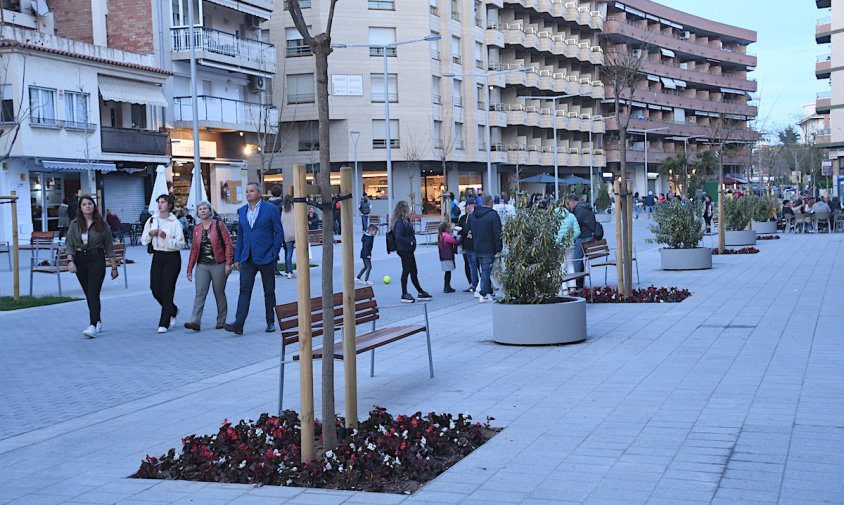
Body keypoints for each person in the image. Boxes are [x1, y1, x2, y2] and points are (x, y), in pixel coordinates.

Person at [225, 182, 284, 335]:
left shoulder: (270, 209)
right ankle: (239, 324)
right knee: (244, 290)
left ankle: (270, 321)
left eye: (251, 191)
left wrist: (274, 252)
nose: (248, 194)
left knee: (269, 291)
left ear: (259, 192)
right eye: (246, 191)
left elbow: (279, 232)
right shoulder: (242, 211)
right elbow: (242, 236)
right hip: (247, 257)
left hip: (266, 256)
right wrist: (237, 258)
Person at [66, 196, 119, 338]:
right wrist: (70, 261)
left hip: (96, 259)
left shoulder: (101, 224)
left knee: (93, 292)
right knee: (88, 293)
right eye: (84, 204)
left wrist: (114, 267)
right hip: (80, 260)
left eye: (90, 204)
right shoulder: (74, 224)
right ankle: (98, 321)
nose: (87, 206)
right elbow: (69, 244)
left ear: (94, 206)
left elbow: (109, 246)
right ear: (80, 208)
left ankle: (93, 325)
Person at [184, 201, 233, 332]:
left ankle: (221, 320)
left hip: (219, 264)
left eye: (205, 208)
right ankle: (195, 321)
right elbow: (194, 249)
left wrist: (228, 263)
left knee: (219, 292)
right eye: (200, 209)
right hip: (202, 265)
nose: (203, 210)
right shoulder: (196, 229)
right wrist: (189, 268)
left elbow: (228, 244)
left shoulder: (219, 225)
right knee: (200, 293)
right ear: (198, 213)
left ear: (210, 211)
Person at [141, 194, 186, 334]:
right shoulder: (152, 220)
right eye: (158, 202)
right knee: (155, 288)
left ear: (170, 205)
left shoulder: (175, 223)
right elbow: (143, 240)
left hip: (172, 257)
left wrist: (166, 238)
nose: (160, 205)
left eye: (163, 202)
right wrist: (150, 234)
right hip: (157, 256)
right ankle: (172, 310)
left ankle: (164, 322)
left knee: (167, 289)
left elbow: (181, 244)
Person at [392, 200, 432, 303]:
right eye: (408, 208)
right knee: (406, 271)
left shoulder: (405, 220)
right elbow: (398, 237)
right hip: (404, 250)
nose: (410, 209)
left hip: (408, 250)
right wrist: (410, 242)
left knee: (413, 270)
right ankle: (404, 293)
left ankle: (420, 291)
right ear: (404, 209)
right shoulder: (400, 222)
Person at [469, 194, 502, 303]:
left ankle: (487, 293)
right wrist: (499, 249)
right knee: (487, 271)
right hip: (490, 247)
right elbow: (497, 234)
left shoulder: (473, 215)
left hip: (478, 247)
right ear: (490, 202)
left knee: (485, 270)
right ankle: (483, 293)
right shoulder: (493, 215)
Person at [566, 194, 596, 289]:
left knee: (576, 261)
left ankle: (577, 283)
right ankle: (580, 281)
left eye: (568, 203)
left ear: (572, 201)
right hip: (589, 237)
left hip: (583, 237)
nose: (568, 205)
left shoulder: (579, 209)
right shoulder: (585, 206)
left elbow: (575, 223)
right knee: (579, 260)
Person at [556, 204, 580, 291]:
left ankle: (563, 286)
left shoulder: (553, 217)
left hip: (558, 246)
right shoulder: (571, 216)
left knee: (561, 266)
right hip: (569, 246)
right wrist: (571, 239)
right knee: (570, 265)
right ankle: (572, 287)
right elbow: (577, 231)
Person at [457, 197, 479, 293]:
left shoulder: (475, 217)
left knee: (475, 265)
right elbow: (461, 230)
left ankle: (477, 285)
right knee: (469, 265)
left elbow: (464, 230)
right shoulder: (463, 218)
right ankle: (472, 284)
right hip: (468, 245)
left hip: (475, 244)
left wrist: (463, 231)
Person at [276, 194, 296, 279]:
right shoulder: (295, 209)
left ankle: (289, 271)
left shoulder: (284, 210)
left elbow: (281, 222)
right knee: (301, 252)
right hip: (296, 233)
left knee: (289, 253)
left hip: (286, 234)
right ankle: (301, 270)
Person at [438, 221, 460, 293]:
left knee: (447, 271)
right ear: (446, 229)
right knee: (448, 272)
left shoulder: (441, 235)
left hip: (443, 256)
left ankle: (447, 286)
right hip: (448, 255)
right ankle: (447, 287)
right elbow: (455, 242)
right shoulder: (447, 236)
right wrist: (461, 239)